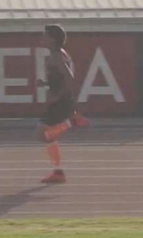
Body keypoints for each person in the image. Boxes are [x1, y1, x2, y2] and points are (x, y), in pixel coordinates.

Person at [36, 24, 89, 183]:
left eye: (45, 35)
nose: (42, 38)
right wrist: (45, 84)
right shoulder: (58, 54)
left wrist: (57, 96)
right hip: (62, 101)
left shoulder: (57, 56)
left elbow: (69, 78)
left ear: (52, 39)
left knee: (43, 133)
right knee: (48, 136)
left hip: (60, 102)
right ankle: (58, 172)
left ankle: (70, 122)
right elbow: (60, 79)